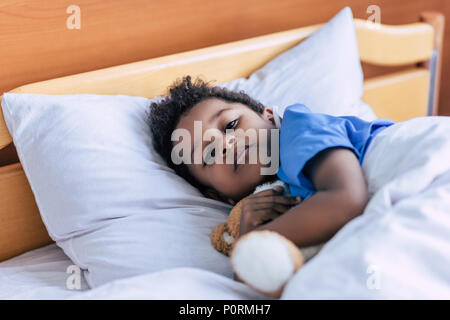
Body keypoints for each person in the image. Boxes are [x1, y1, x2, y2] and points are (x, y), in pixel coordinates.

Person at [148, 76, 395, 248]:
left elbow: (348, 200)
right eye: (210, 154)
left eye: (231, 125)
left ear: (269, 117)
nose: (225, 144)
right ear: (218, 196)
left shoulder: (298, 129)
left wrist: (252, 240)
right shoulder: (271, 208)